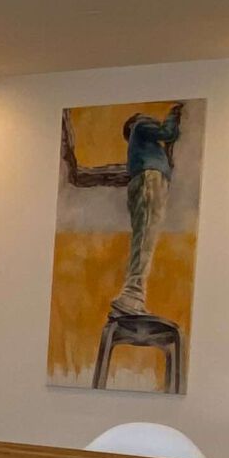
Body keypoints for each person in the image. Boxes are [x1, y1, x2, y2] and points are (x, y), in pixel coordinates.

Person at [59, 101, 183, 317]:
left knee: (142, 236)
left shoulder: (137, 150)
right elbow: (168, 133)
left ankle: (134, 295)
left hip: (143, 182)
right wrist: (175, 114)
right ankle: (132, 295)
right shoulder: (141, 125)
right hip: (151, 179)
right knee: (146, 236)